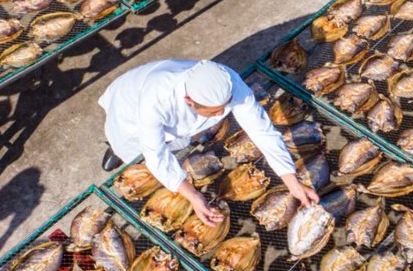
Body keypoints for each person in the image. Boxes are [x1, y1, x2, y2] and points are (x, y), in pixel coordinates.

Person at [99, 59, 319, 225]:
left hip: (176, 116)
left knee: (178, 139)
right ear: (189, 101)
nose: (221, 114)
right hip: (131, 106)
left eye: (224, 108)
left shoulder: (228, 82)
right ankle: (116, 150)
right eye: (214, 112)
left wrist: (292, 181)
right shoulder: (155, 101)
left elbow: (262, 130)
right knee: (131, 143)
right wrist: (192, 195)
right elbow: (156, 155)